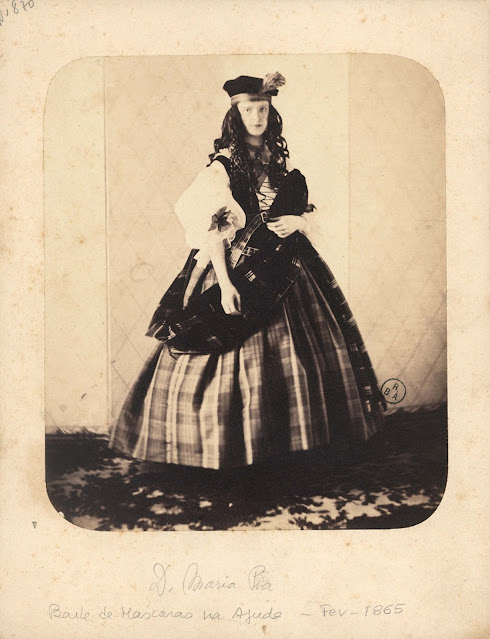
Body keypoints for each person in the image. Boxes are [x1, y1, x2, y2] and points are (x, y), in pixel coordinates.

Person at [109, 73, 385, 470]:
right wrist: (223, 285)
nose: (257, 117)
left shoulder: (279, 160)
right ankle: (230, 453)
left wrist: (299, 222)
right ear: (235, 115)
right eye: (249, 110)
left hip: (289, 266)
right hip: (235, 268)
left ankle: (296, 450)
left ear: (272, 113)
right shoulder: (223, 166)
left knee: (300, 356)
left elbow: (303, 207)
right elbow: (213, 231)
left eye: (263, 109)